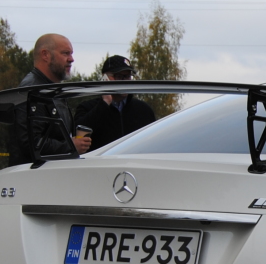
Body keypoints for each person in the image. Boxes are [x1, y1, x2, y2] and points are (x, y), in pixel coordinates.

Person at [9, 33, 91, 166]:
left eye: (71, 53)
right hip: (33, 180)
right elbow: (29, 142)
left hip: (49, 177)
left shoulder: (51, 90)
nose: (71, 59)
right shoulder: (33, 90)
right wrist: (70, 146)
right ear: (45, 55)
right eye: (65, 53)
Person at [74, 55, 156, 150]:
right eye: (119, 76)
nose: (124, 81)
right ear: (105, 78)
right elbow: (78, 137)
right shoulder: (87, 108)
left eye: (128, 76)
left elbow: (153, 143)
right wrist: (105, 103)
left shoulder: (144, 110)